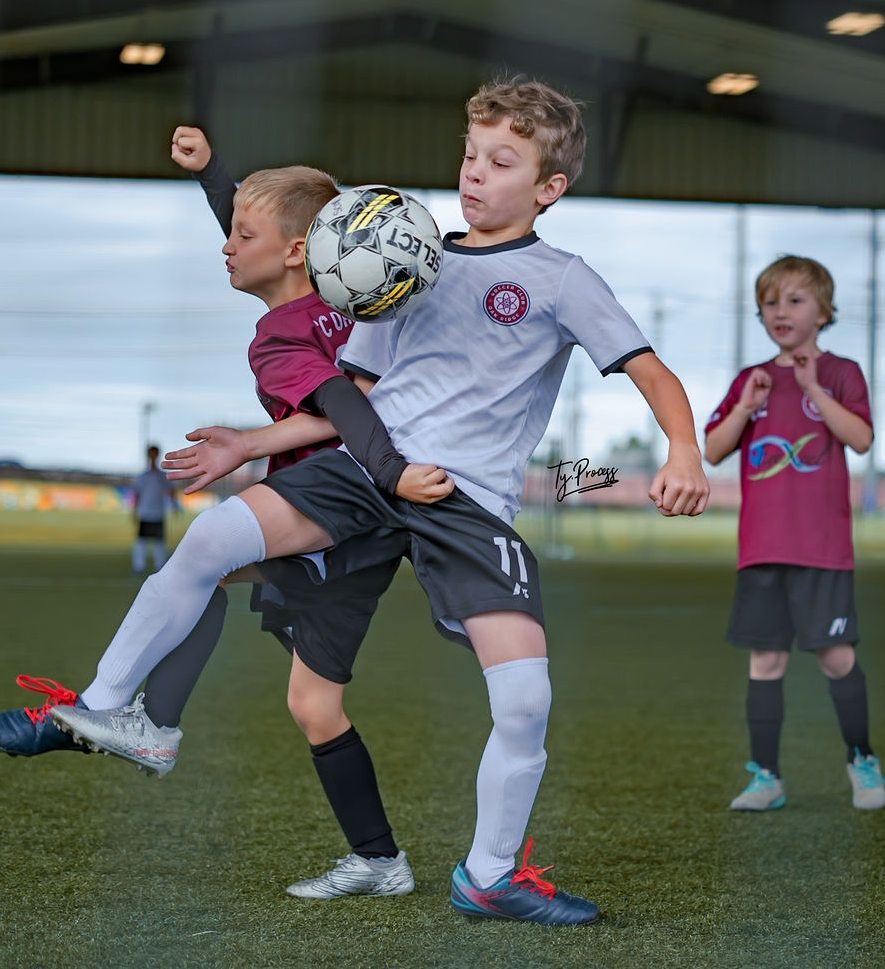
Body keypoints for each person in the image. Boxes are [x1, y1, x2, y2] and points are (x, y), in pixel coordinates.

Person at [41, 77, 709, 926]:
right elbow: (351, 389)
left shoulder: (562, 280)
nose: (476, 173)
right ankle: (107, 707)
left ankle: (490, 876)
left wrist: (683, 450)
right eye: (471, 154)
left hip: (464, 502)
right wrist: (250, 445)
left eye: (503, 161)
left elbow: (652, 373)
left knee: (527, 699)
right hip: (365, 472)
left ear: (549, 189)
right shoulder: (406, 256)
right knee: (214, 541)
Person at [0, 157, 450, 899]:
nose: (227, 244)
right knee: (312, 704)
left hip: (350, 492)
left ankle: (111, 710)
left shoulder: (280, 336)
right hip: (371, 523)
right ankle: (381, 862)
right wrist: (215, 177)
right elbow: (284, 227)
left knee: (203, 548)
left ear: (295, 249)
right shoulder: (359, 302)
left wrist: (268, 446)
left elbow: (340, 406)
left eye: (241, 233)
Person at [704, 255, 885, 812]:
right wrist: (746, 407)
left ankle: (862, 760)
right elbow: (712, 450)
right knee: (765, 662)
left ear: (824, 312)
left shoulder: (841, 373)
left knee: (834, 656)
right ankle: (767, 777)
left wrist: (813, 386)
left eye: (794, 300)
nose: (779, 311)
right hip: (761, 552)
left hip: (822, 552)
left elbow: (859, 438)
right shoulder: (750, 380)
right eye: (769, 302)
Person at [130, 444, 177, 573]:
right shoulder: (142, 476)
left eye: (154, 453)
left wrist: (174, 505)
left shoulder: (162, 476)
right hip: (145, 513)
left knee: (159, 542)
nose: (152, 456)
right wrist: (134, 510)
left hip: (158, 513)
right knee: (141, 541)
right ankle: (138, 566)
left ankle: (160, 567)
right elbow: (137, 494)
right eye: (151, 453)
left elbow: (171, 490)